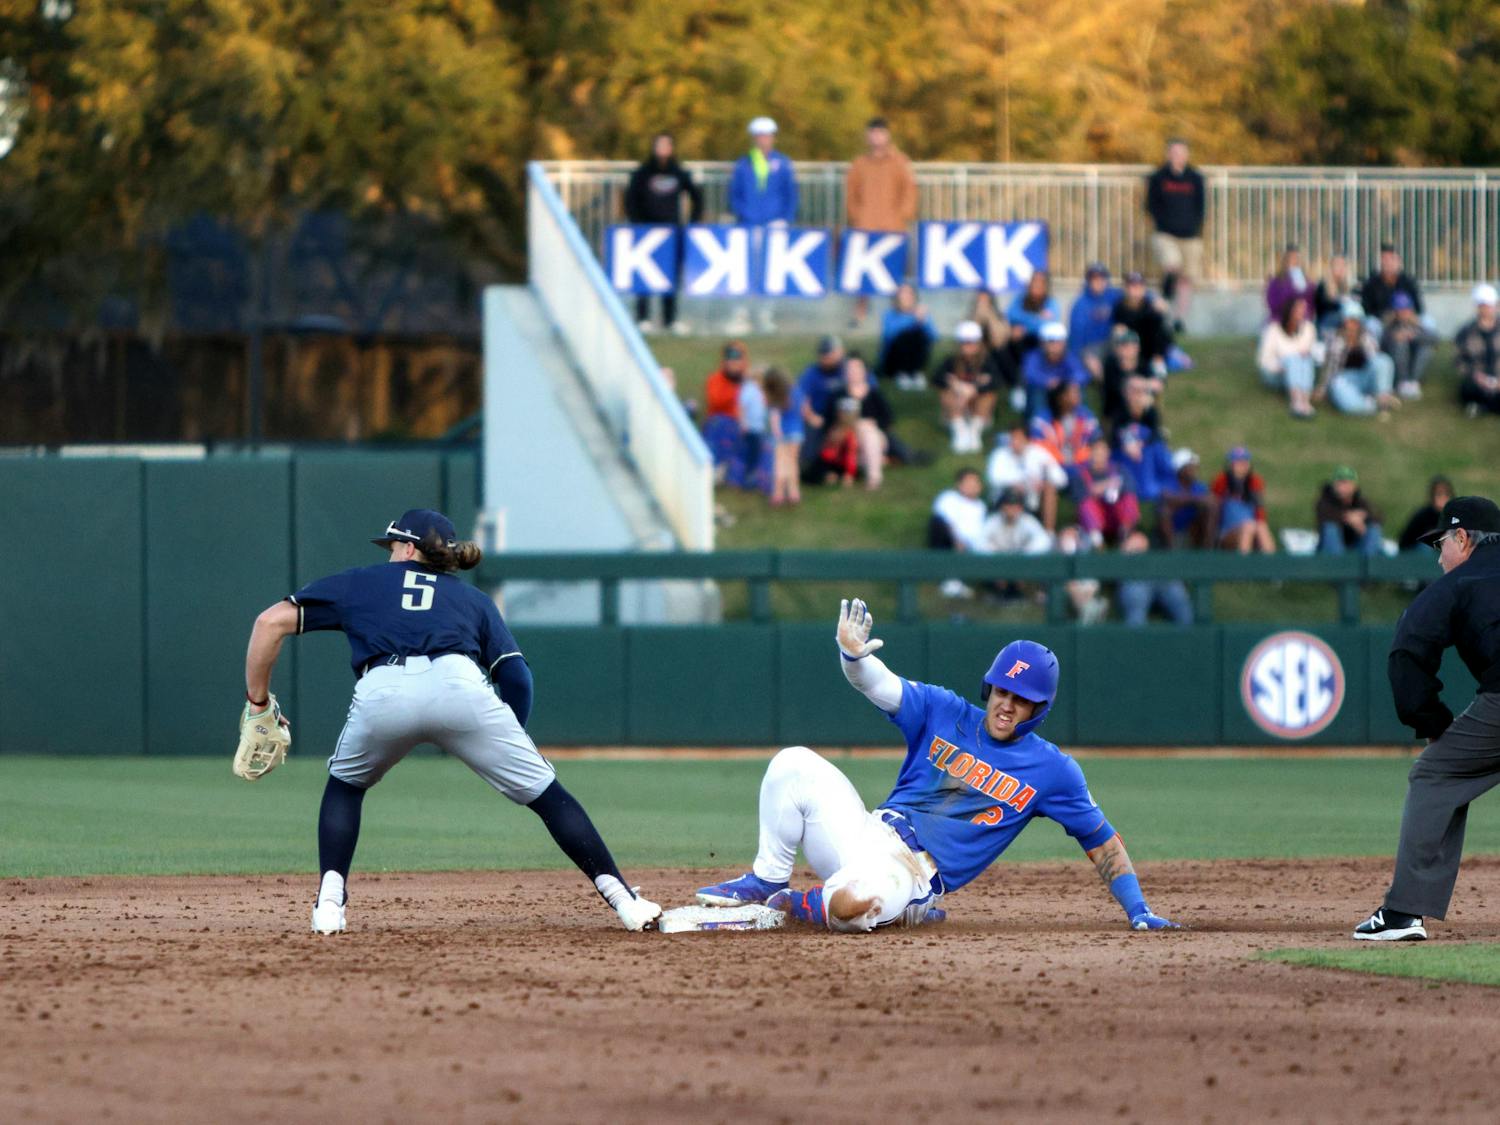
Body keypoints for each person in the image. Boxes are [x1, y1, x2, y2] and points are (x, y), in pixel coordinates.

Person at [239, 508, 662, 934]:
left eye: (392, 546)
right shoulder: (473, 600)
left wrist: (258, 704)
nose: (389, 554)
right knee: (549, 797)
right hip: (460, 687)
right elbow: (516, 675)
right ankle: (625, 901)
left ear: (408, 547)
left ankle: (329, 905)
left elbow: (268, 623)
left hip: (383, 687)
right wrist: (510, 735)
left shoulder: (360, 581)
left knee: (346, 787)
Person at [694, 603, 1179, 934]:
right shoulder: (945, 711)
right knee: (792, 762)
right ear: (991, 688)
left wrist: (1138, 910)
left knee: (850, 907)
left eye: (1022, 700)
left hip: (914, 872)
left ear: (1040, 709)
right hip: (866, 833)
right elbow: (877, 684)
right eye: (1003, 692)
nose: (1007, 706)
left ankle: (804, 909)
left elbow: (1101, 840)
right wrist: (853, 656)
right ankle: (768, 880)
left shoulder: (1053, 772)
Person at [1353, 495, 1500, 942]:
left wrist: (1433, 722)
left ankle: (1402, 913)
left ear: (1462, 538)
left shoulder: (1459, 583)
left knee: (1436, 776)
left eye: (1440, 545)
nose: (1439, 558)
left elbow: (1408, 653)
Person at [623, 131, 703, 334]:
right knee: (644, 276)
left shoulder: (678, 172)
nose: (663, 149)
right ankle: (643, 318)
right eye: (659, 145)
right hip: (647, 232)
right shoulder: (643, 172)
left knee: (670, 277)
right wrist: (638, 222)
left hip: (671, 232)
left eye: (667, 145)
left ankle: (670, 320)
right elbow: (630, 199)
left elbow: (696, 196)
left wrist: (691, 222)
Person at [845, 117, 917, 328]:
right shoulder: (859, 164)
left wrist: (902, 215)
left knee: (895, 275)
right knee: (863, 278)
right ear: (868, 136)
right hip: (865, 227)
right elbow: (851, 194)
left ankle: (900, 314)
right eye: (873, 133)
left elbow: (909, 191)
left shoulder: (900, 162)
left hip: (893, 228)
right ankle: (860, 314)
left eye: (880, 132)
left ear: (887, 135)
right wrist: (857, 217)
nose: (876, 137)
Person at [728, 116, 798, 332]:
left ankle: (766, 314)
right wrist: (743, 213)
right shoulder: (744, 163)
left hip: (774, 223)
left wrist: (785, 218)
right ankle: (741, 314)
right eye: (759, 136)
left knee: (771, 270)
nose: (763, 140)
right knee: (745, 268)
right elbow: (734, 194)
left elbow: (791, 193)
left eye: (767, 136)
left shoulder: (783, 163)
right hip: (749, 224)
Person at [1145, 138, 1206, 330]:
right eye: (1174, 152)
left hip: (1191, 236)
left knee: (1186, 279)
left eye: (1181, 152)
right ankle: (1163, 304)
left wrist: (1195, 226)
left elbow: (1201, 206)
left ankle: (1179, 319)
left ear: (1187, 155)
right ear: (1168, 154)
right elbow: (1150, 205)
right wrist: (1163, 222)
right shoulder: (1158, 177)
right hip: (1166, 234)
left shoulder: (1195, 178)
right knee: (1172, 265)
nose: (1178, 156)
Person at [1360, 242, 1432, 399]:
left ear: (1398, 262)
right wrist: (1392, 314)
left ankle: (1412, 380)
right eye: (1385, 260)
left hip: (1408, 320)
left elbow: (1419, 308)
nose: (1388, 263)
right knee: (1373, 325)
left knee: (1429, 324)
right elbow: (1366, 309)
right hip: (1384, 321)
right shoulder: (1372, 282)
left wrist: (1409, 316)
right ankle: (1378, 360)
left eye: (1392, 260)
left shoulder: (1408, 281)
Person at [1316, 301, 1399, 418]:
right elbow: (1330, 370)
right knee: (1338, 386)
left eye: (1355, 321)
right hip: (1344, 380)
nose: (1352, 325)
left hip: (1364, 377)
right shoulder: (1336, 341)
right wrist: (1323, 389)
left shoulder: (1367, 338)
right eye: (1349, 321)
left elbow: (1376, 364)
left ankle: (1383, 397)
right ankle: (1369, 404)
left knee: (1384, 360)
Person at [933, 320, 1003, 453]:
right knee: (947, 392)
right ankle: (960, 431)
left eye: (971, 342)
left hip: (978, 409)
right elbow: (937, 378)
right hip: (958, 407)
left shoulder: (987, 361)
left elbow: (997, 381)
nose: (968, 346)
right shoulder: (951, 361)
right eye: (964, 342)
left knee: (989, 395)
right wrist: (956, 385)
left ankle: (974, 432)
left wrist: (974, 389)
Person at [985, 423, 1068, 532]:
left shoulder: (1039, 453)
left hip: (1033, 499)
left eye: (1019, 438)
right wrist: (1020, 482)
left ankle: (1049, 533)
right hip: (1006, 498)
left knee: (1050, 489)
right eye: (1013, 438)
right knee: (1014, 489)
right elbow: (993, 478)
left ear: (1027, 440)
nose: (1015, 442)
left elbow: (1062, 479)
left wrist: (1044, 482)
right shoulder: (1000, 454)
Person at [1257, 297, 1319, 418]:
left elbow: (1312, 351)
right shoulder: (1274, 329)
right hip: (1276, 373)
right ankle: (1296, 401)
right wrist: (1283, 366)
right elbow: (1264, 359)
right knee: (1293, 359)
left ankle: (1305, 401)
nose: (1302, 313)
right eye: (1298, 310)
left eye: (1304, 310)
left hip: (1302, 371)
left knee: (1304, 359)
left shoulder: (1309, 328)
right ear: (1289, 311)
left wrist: (1305, 354)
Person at [1030, 381, 1101, 486]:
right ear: (1062, 397)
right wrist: (1062, 460)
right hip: (1054, 466)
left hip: (1082, 464)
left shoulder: (1086, 415)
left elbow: (1097, 441)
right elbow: (1039, 447)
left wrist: (1081, 459)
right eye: (1074, 392)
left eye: (1078, 392)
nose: (1079, 395)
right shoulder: (1042, 418)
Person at [1117, 530, 1193, 627]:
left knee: (1183, 611)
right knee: (1135, 616)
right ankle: (1135, 641)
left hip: (1165, 575)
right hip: (1135, 575)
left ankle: (1185, 641)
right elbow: (1124, 550)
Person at [796, 334, 848, 470]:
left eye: (829, 354)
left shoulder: (849, 369)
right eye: (823, 355)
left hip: (846, 417)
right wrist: (811, 417)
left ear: (840, 352)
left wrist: (843, 423)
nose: (826, 358)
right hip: (819, 417)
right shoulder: (811, 373)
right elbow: (800, 399)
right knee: (812, 431)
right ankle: (809, 465)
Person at [839, 355, 890, 490]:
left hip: (875, 437)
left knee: (868, 431)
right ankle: (873, 467)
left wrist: (873, 422)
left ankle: (874, 476)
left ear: (864, 371)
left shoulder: (874, 394)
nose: (853, 372)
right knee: (862, 427)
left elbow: (887, 418)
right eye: (850, 369)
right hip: (847, 439)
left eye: (857, 368)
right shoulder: (839, 394)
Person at [1076, 437, 1140, 546]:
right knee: (1086, 504)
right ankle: (1098, 545)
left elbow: (1130, 489)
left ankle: (1125, 538)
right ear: (1089, 452)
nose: (1099, 453)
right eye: (1096, 450)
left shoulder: (1120, 470)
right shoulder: (1081, 473)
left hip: (1117, 516)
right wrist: (1102, 486)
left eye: (1102, 450)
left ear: (1108, 452)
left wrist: (1111, 487)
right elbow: (1080, 495)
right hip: (1094, 521)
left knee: (1129, 500)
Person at [1211, 447, 1274, 553]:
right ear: (1231, 464)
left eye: (1245, 461)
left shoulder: (1255, 481)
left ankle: (1271, 562)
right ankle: (1243, 563)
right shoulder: (1222, 480)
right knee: (1249, 526)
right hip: (1228, 530)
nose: (1242, 465)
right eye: (1238, 462)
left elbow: (1259, 510)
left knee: (1261, 526)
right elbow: (1214, 503)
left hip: (1251, 527)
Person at [1020, 321, 1090, 418]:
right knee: (1037, 394)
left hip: (1064, 392)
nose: (1056, 346)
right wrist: (1047, 382)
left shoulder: (1069, 357)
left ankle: (1083, 425)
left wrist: (1066, 384)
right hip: (1043, 391)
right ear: (1043, 343)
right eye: (1051, 341)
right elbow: (1029, 374)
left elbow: (1081, 374)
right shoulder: (1033, 356)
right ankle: (1037, 426)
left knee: (1076, 393)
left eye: (1059, 341)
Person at [1110, 271, 1173, 376]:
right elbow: (1119, 328)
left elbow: (1160, 325)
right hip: (1131, 344)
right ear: (1125, 288)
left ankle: (1158, 361)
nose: (1135, 290)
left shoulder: (1150, 305)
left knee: (1159, 325)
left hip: (1148, 344)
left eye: (1138, 286)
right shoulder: (1120, 307)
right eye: (1132, 286)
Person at [702, 341, 749, 477]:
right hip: (720, 427)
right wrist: (735, 388)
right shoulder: (715, 379)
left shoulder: (750, 381)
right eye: (730, 356)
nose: (733, 361)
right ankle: (716, 468)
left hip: (744, 426)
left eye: (738, 357)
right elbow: (716, 401)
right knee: (720, 424)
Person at [1067, 263, 1123, 376]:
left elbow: (1136, 293)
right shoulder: (1080, 304)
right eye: (1095, 278)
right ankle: (1108, 385)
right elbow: (1076, 336)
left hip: (1111, 342)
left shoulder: (1113, 295)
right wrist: (1085, 357)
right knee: (1097, 369)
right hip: (1090, 347)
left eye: (1102, 278)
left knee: (1121, 333)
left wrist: (1154, 298)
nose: (1099, 281)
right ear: (1088, 281)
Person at [878, 282, 936, 389]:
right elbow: (890, 336)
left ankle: (915, 373)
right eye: (903, 294)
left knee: (920, 335)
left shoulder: (921, 314)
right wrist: (914, 321)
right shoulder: (890, 314)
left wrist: (923, 322)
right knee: (907, 336)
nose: (906, 297)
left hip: (914, 357)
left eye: (909, 294)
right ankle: (902, 373)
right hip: (893, 359)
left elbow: (933, 337)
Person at [1454, 283, 1500, 417]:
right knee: (1467, 389)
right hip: (1479, 380)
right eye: (1482, 306)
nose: (1486, 309)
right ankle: (1488, 404)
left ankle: (1482, 407)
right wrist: (1476, 376)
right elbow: (1459, 361)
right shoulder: (1465, 331)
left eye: (1489, 305)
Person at [1316, 466, 1384, 556]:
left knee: (1373, 530)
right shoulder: (1325, 500)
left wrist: (1363, 520)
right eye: (1339, 483)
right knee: (1330, 528)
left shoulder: (1360, 502)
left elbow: (1378, 516)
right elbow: (1325, 516)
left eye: (1346, 483)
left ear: (1354, 486)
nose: (1342, 487)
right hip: (1331, 548)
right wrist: (1349, 518)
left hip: (1357, 545)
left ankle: (1370, 563)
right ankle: (1337, 564)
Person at [1099, 327, 1161, 425]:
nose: (1128, 350)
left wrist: (1141, 384)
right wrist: (1140, 385)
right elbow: (1117, 389)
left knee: (1148, 402)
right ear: (1118, 349)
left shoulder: (1142, 364)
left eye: (1132, 346)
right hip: (1117, 410)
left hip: (1141, 408)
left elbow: (1157, 385)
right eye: (1125, 346)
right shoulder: (1111, 364)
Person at [1157, 448, 1217, 549]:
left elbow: (1210, 500)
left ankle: (1208, 550)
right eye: (1190, 466)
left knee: (1211, 507)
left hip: (1194, 530)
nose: (1194, 469)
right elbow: (1167, 497)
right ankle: (1170, 552)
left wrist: (1197, 500)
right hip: (1174, 530)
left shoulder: (1199, 487)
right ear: (1181, 469)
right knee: (1165, 511)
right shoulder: (1169, 484)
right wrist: (1195, 500)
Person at [764, 367, 803, 507]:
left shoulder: (776, 397)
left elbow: (774, 419)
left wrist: (777, 434)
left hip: (782, 434)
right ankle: (794, 492)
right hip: (797, 432)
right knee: (792, 462)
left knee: (780, 463)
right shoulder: (796, 391)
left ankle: (778, 493)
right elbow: (802, 409)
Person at [928, 467, 989, 555]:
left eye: (975, 482)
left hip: (972, 548)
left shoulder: (981, 506)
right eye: (969, 482)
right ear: (959, 484)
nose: (973, 486)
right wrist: (956, 540)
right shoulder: (948, 498)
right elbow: (943, 522)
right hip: (949, 544)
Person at [807, 397, 862, 487]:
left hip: (842, 463)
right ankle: (829, 475)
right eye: (844, 413)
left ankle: (836, 475)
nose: (846, 416)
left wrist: (849, 474)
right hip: (830, 462)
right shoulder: (835, 429)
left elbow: (850, 456)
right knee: (817, 470)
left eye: (849, 413)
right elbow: (826, 455)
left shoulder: (853, 432)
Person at [983, 487, 1052, 556]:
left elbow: (1043, 540)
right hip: (997, 562)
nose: (1011, 509)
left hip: (1023, 563)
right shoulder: (993, 521)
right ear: (1001, 507)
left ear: (1021, 508)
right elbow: (980, 542)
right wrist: (995, 552)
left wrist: (1025, 552)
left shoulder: (1028, 521)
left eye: (1015, 505)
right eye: (1008, 505)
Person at [1006, 270, 1062, 353]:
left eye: (1041, 282)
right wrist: (1037, 317)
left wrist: (1025, 328)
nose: (1037, 285)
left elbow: (1048, 324)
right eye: (1034, 281)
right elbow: (1010, 314)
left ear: (1046, 286)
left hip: (1040, 343)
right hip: (1020, 341)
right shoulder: (1021, 299)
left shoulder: (1051, 303)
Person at [1398, 475, 1454, 552]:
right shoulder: (1422, 516)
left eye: (1446, 494)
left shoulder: (1455, 516)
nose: (1443, 498)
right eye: (1439, 494)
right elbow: (1404, 542)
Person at [737, 367, 770, 492]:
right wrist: (743, 423)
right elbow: (742, 407)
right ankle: (748, 478)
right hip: (751, 428)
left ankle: (754, 476)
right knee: (751, 454)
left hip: (759, 427)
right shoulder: (749, 389)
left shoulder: (759, 390)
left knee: (757, 453)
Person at [1264, 243, 1313, 324]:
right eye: (1291, 258)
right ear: (1285, 261)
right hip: (1280, 320)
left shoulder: (1308, 283)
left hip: (1301, 321)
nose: (1294, 261)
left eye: (1297, 259)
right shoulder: (1276, 282)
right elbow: (1272, 304)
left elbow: (1310, 305)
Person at [1313, 253, 1354, 336]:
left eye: (1343, 265)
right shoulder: (1323, 286)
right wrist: (1339, 303)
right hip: (1327, 321)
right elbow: (1322, 307)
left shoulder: (1349, 286)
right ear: (1331, 267)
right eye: (1337, 265)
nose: (1340, 268)